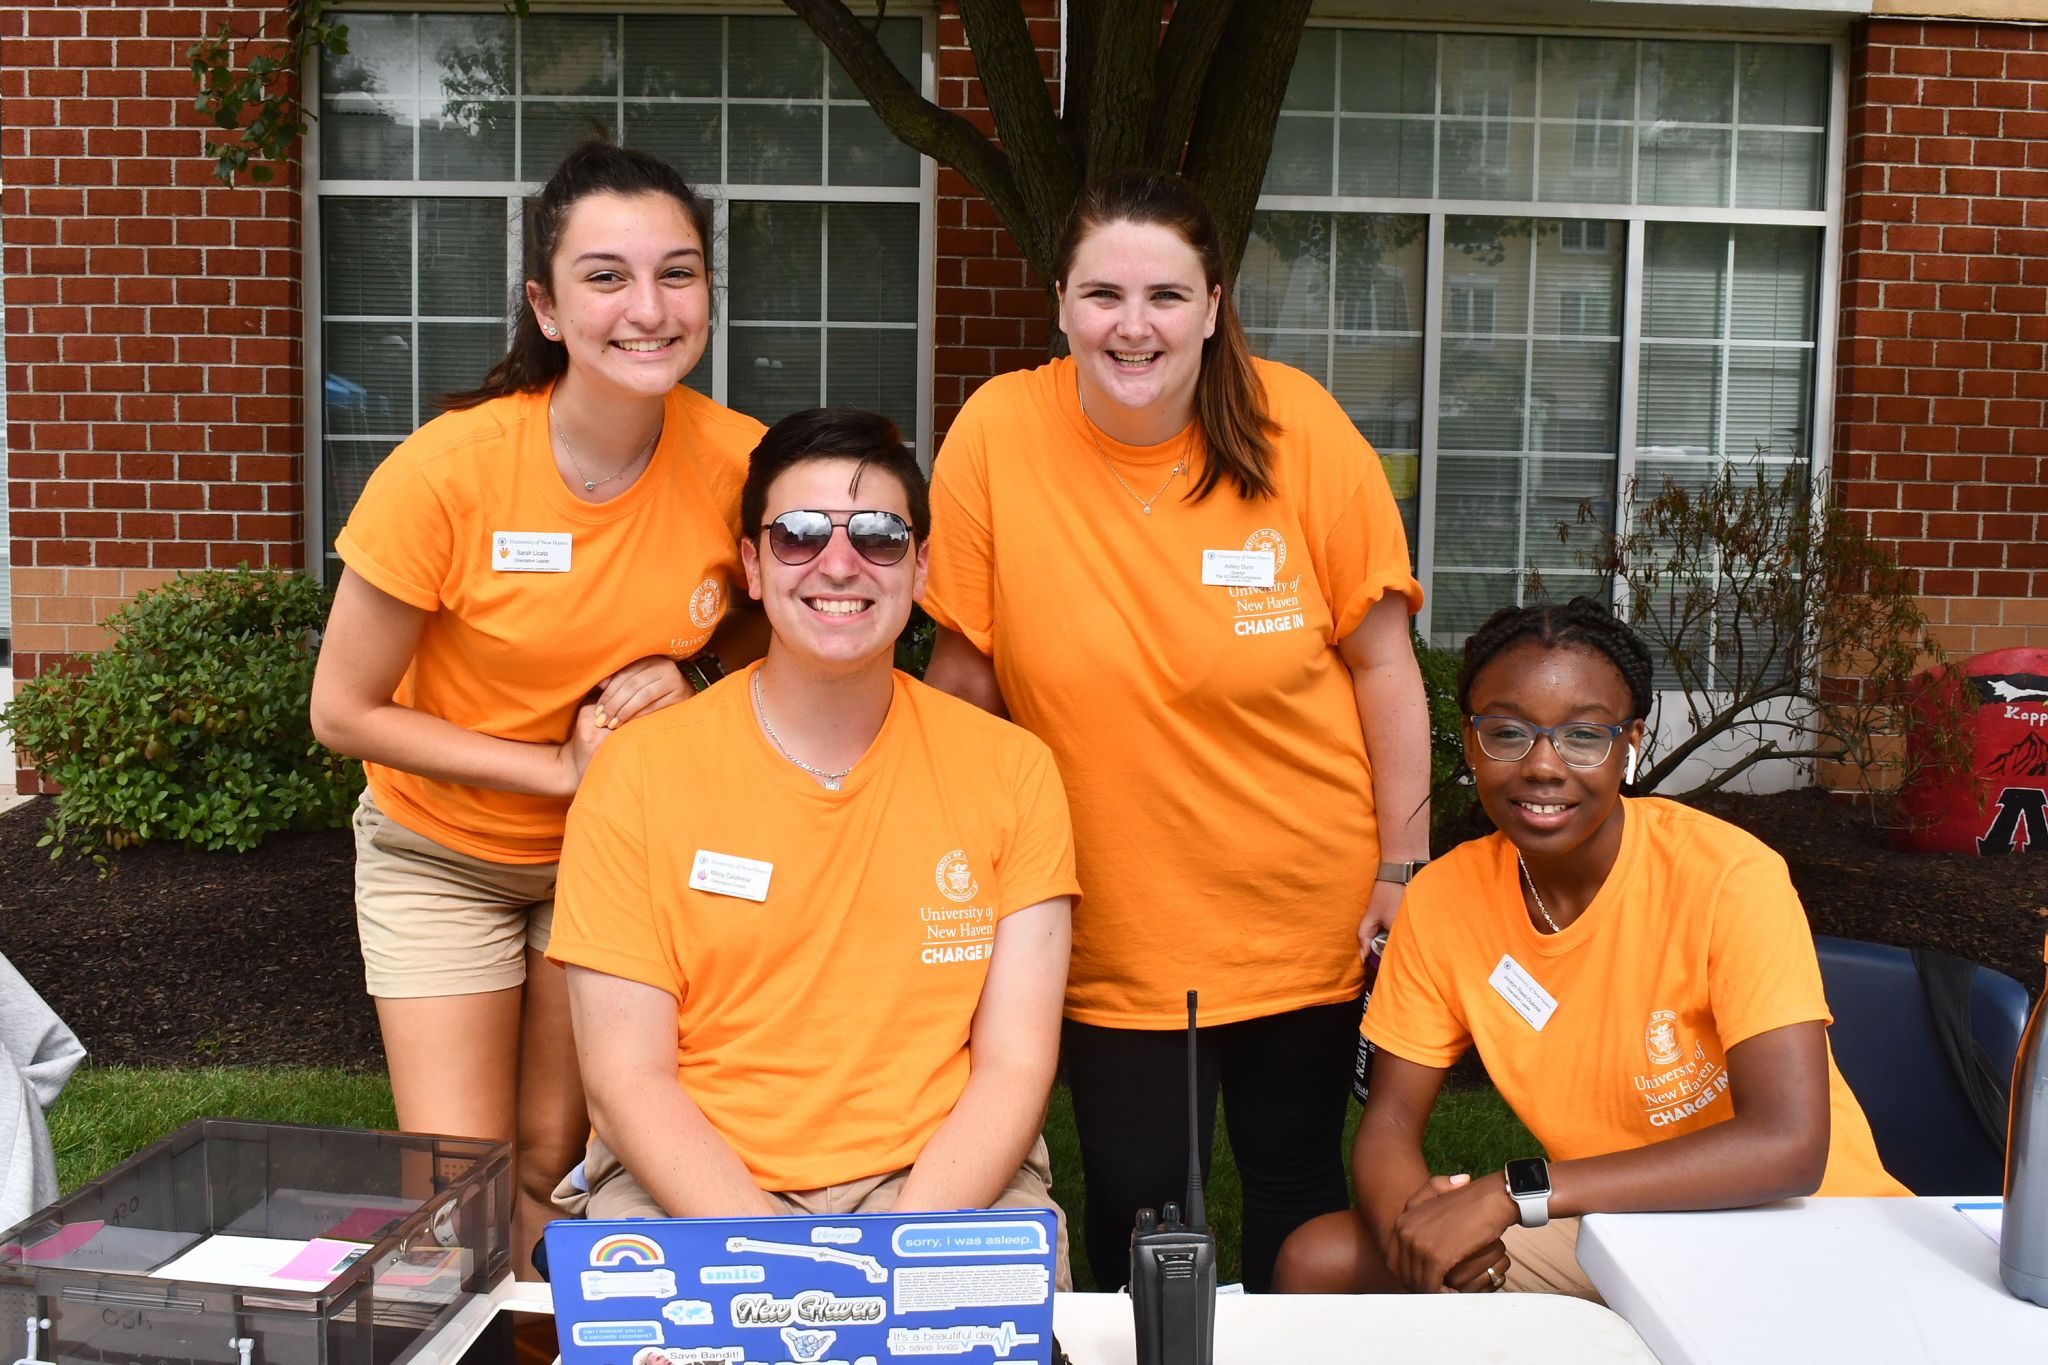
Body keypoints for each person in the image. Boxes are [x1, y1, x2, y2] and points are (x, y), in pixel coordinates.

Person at [920, 170, 1433, 1292]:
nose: (1133, 324)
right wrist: (946, 863)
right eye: (1103, 293)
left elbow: (1382, 661)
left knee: (1295, 1192)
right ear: (1059, 303)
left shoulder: (1298, 426)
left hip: (1302, 902)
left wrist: (1402, 864)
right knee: (1134, 1208)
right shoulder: (998, 432)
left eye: (1165, 295)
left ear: (1212, 305)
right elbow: (963, 680)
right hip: (1108, 913)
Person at [308, 140, 765, 1277]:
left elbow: (785, 613)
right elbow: (343, 711)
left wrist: (698, 675)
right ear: (546, 307)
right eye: (606, 276)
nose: (648, 308)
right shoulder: (449, 471)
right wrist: (552, 771)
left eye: (678, 272)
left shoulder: (738, 464)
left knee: (554, 1171)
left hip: (609, 861)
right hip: (440, 849)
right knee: (455, 1183)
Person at [548, 408, 1079, 1284]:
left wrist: (898, 1260)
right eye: (797, 535)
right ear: (753, 567)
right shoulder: (638, 772)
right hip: (696, 1184)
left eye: (878, 536)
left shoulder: (1012, 769)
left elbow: (1017, 1063)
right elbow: (627, 1080)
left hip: (940, 1182)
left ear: (923, 566)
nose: (839, 563)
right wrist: (792, 1270)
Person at [1273, 597, 1909, 1299]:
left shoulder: (1728, 875)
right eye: (1508, 732)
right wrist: (1425, 1235)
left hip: (1804, 1231)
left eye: (1583, 736)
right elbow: (1388, 1122)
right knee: (1318, 1259)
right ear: (1470, 739)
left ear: (1630, 742)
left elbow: (1789, 1145)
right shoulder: (1443, 900)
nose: (1543, 765)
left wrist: (1515, 1194)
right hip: (1623, 1226)